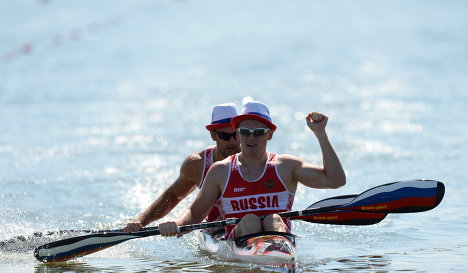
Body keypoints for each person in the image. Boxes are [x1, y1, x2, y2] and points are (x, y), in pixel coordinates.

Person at [158, 101, 346, 239]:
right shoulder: (220, 171)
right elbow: (195, 213)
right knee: (249, 220)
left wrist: (320, 134)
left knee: (273, 220)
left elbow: (336, 180)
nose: (251, 138)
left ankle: (278, 258)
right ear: (238, 135)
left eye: (258, 133)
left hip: (278, 238)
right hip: (238, 238)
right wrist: (177, 225)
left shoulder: (286, 166)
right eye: (245, 133)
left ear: (270, 134)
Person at [123, 103, 241, 232]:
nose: (232, 141)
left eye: (236, 135)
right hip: (216, 229)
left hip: (247, 225)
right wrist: (140, 222)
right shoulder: (197, 165)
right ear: (213, 135)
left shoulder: (257, 159)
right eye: (224, 136)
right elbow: (172, 197)